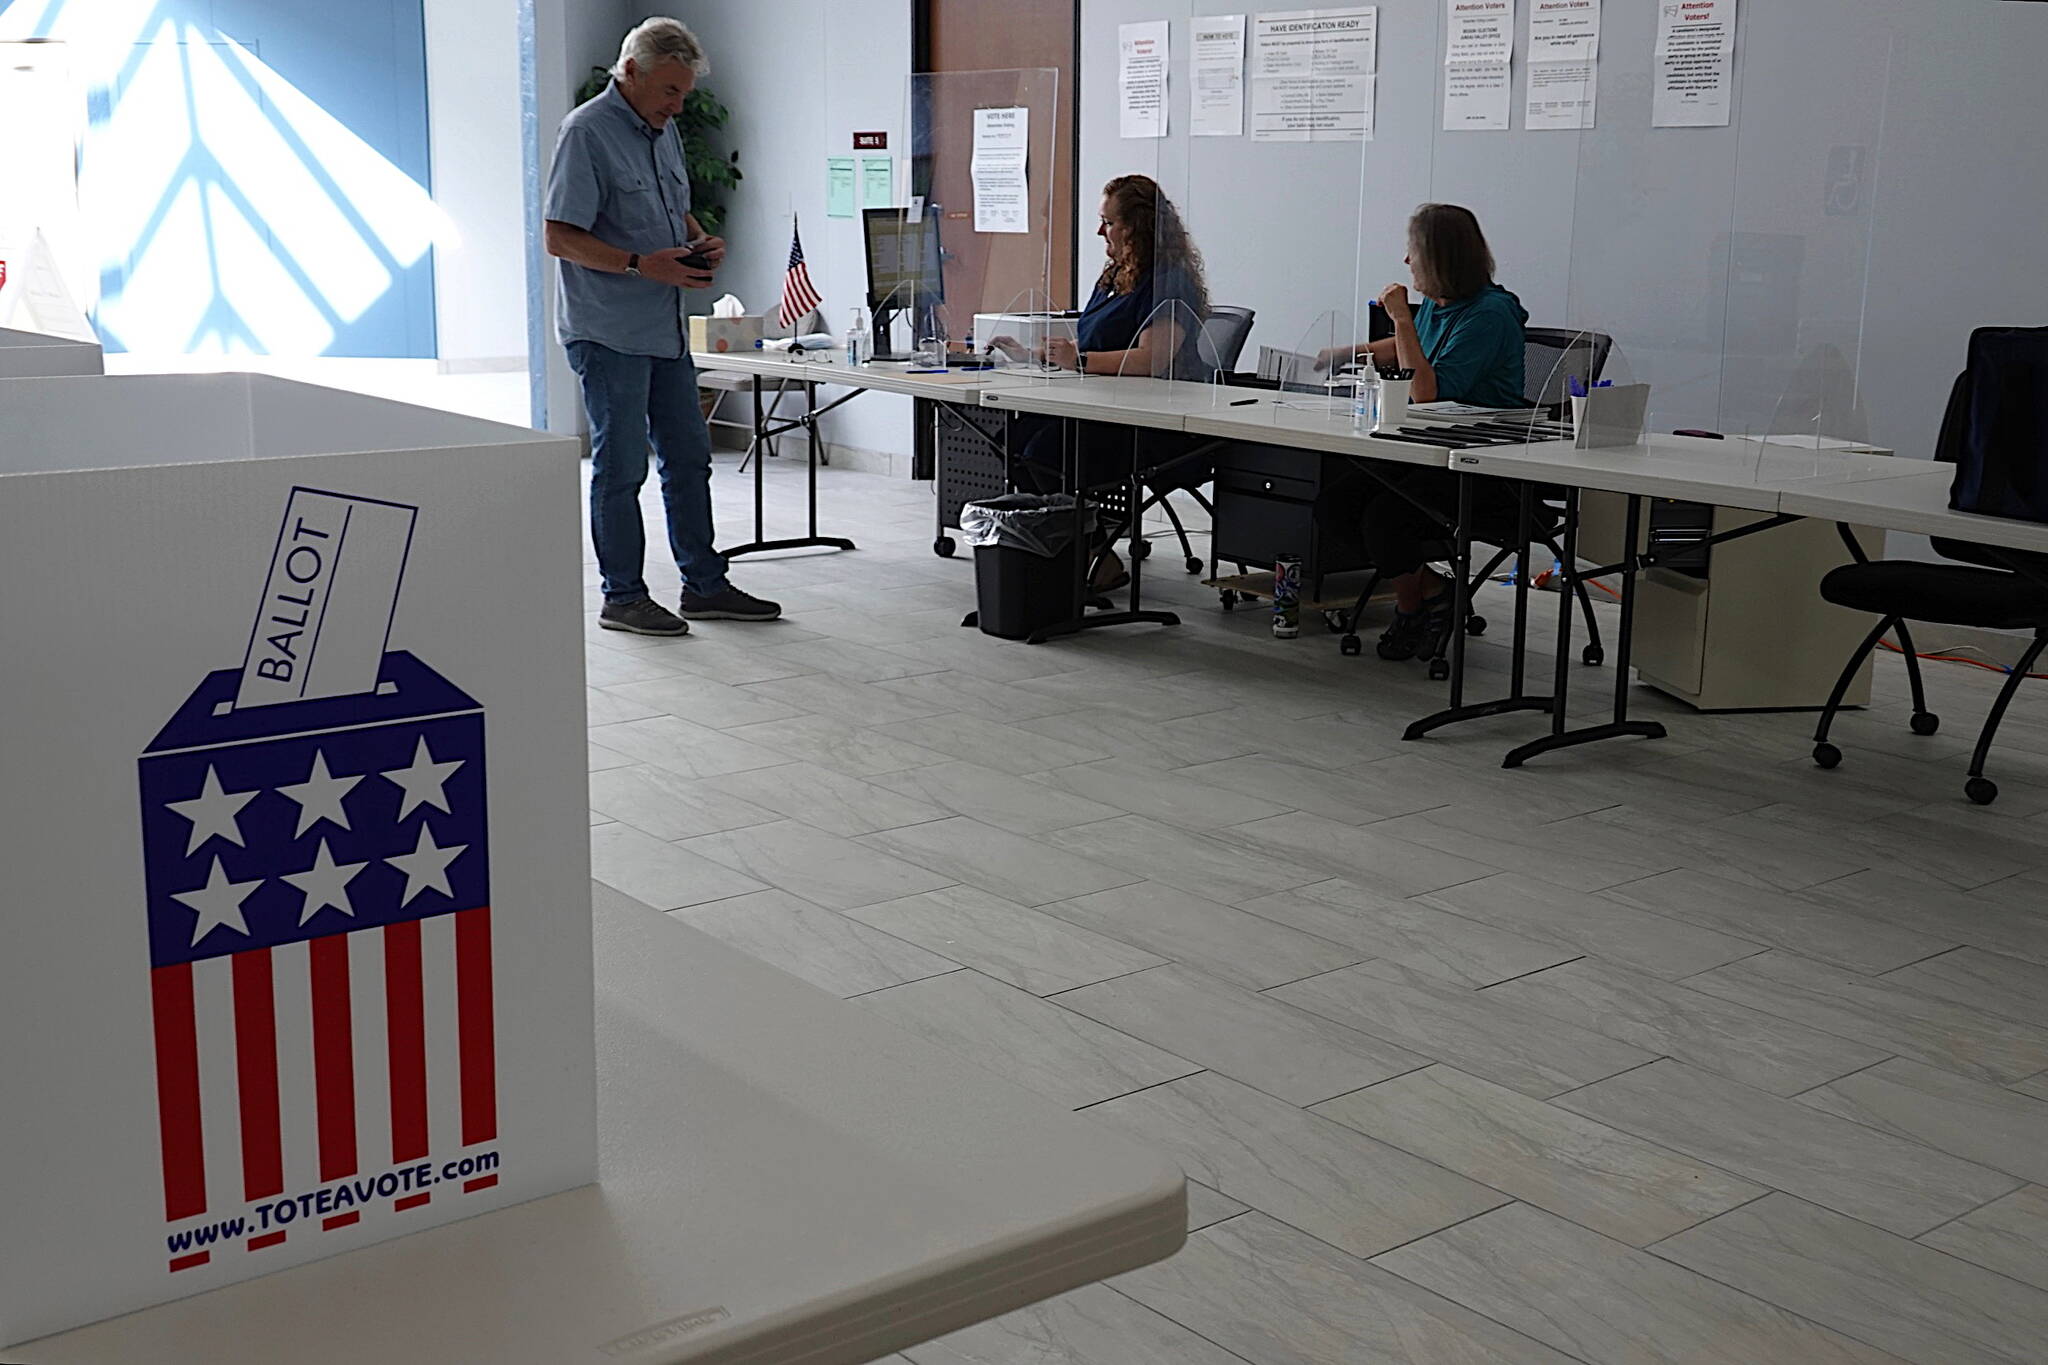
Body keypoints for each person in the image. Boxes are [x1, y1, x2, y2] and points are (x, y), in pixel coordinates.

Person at [543, 17, 779, 637]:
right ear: (630, 74)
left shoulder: (663, 129)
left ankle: (704, 585)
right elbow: (559, 235)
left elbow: (673, 208)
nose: (679, 105)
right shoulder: (585, 133)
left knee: (689, 458)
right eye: (670, 91)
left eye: (684, 94)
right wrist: (638, 264)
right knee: (622, 469)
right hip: (608, 331)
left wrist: (700, 239)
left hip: (666, 328)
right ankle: (623, 596)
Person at [1322, 204, 1529, 660]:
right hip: (1426, 448)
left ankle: (1412, 607)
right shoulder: (1442, 305)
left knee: (1383, 516)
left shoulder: (1490, 314)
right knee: (1335, 503)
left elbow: (1426, 391)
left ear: (1438, 256)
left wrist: (1400, 319)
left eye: (1412, 251)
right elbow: (1409, 350)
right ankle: (1436, 592)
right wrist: (1347, 352)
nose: (1405, 261)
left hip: (1481, 463)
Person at [1004, 174, 1212, 589]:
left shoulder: (1169, 282)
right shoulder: (1114, 277)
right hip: (1103, 407)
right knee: (1015, 439)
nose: (1101, 231)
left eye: (1109, 222)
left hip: (1153, 423)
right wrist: (1035, 355)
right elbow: (1090, 342)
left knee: (1044, 451)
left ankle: (1099, 555)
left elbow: (1152, 359)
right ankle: (1075, 550)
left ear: (1136, 225)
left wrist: (1079, 361)